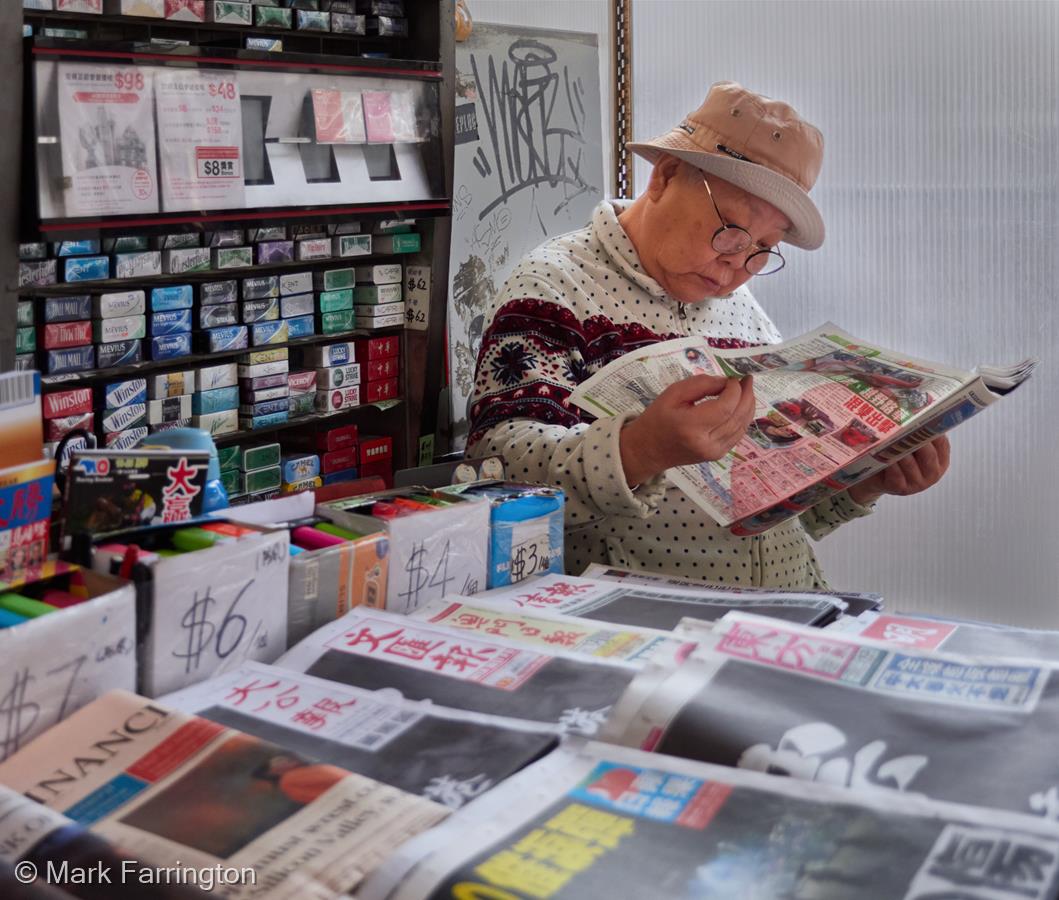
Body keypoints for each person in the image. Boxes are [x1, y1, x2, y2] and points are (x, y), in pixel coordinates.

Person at [467, 81, 949, 589]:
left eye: (764, 249)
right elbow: (494, 467)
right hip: (647, 629)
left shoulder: (742, 309)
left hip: (783, 617)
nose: (738, 266)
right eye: (732, 232)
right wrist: (638, 450)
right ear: (666, 176)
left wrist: (862, 484)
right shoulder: (556, 284)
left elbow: (779, 501)